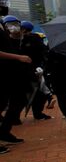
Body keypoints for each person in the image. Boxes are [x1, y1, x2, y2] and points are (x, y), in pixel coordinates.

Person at [0, 15, 31, 146]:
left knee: (19, 100)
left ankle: (4, 131)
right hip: (3, 72)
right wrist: (18, 57)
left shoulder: (3, 28)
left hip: (13, 72)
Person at [20, 21, 53, 120]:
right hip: (27, 69)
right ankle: (40, 108)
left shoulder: (32, 38)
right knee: (31, 92)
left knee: (37, 91)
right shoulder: (18, 39)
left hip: (33, 69)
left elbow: (43, 51)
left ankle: (38, 111)